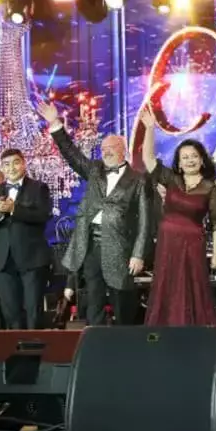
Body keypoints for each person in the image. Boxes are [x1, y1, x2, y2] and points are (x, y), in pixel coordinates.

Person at [40, 104, 150, 327]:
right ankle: (95, 341)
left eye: (111, 148)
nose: (106, 152)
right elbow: (71, 154)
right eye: (103, 148)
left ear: (123, 150)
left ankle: (125, 341)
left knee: (122, 302)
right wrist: (55, 124)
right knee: (94, 299)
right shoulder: (94, 170)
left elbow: (145, 221)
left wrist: (139, 254)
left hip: (120, 248)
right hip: (90, 245)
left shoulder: (138, 179)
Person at [137, 107, 216, 325]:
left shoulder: (210, 188)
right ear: (179, 162)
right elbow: (148, 158)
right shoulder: (171, 179)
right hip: (167, 243)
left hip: (192, 245)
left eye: (194, 156)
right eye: (185, 157)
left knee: (192, 288)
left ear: (202, 160)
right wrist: (150, 129)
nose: (190, 160)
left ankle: (193, 334)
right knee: (168, 287)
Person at [0, 149, 52, 329]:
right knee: (10, 312)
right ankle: (15, 346)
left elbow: (43, 215)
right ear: (2, 168)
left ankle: (34, 345)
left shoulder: (38, 187)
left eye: (16, 162)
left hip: (32, 258)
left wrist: (14, 210)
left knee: (33, 311)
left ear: (24, 163)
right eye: (6, 164)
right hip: (4, 260)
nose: (11, 168)